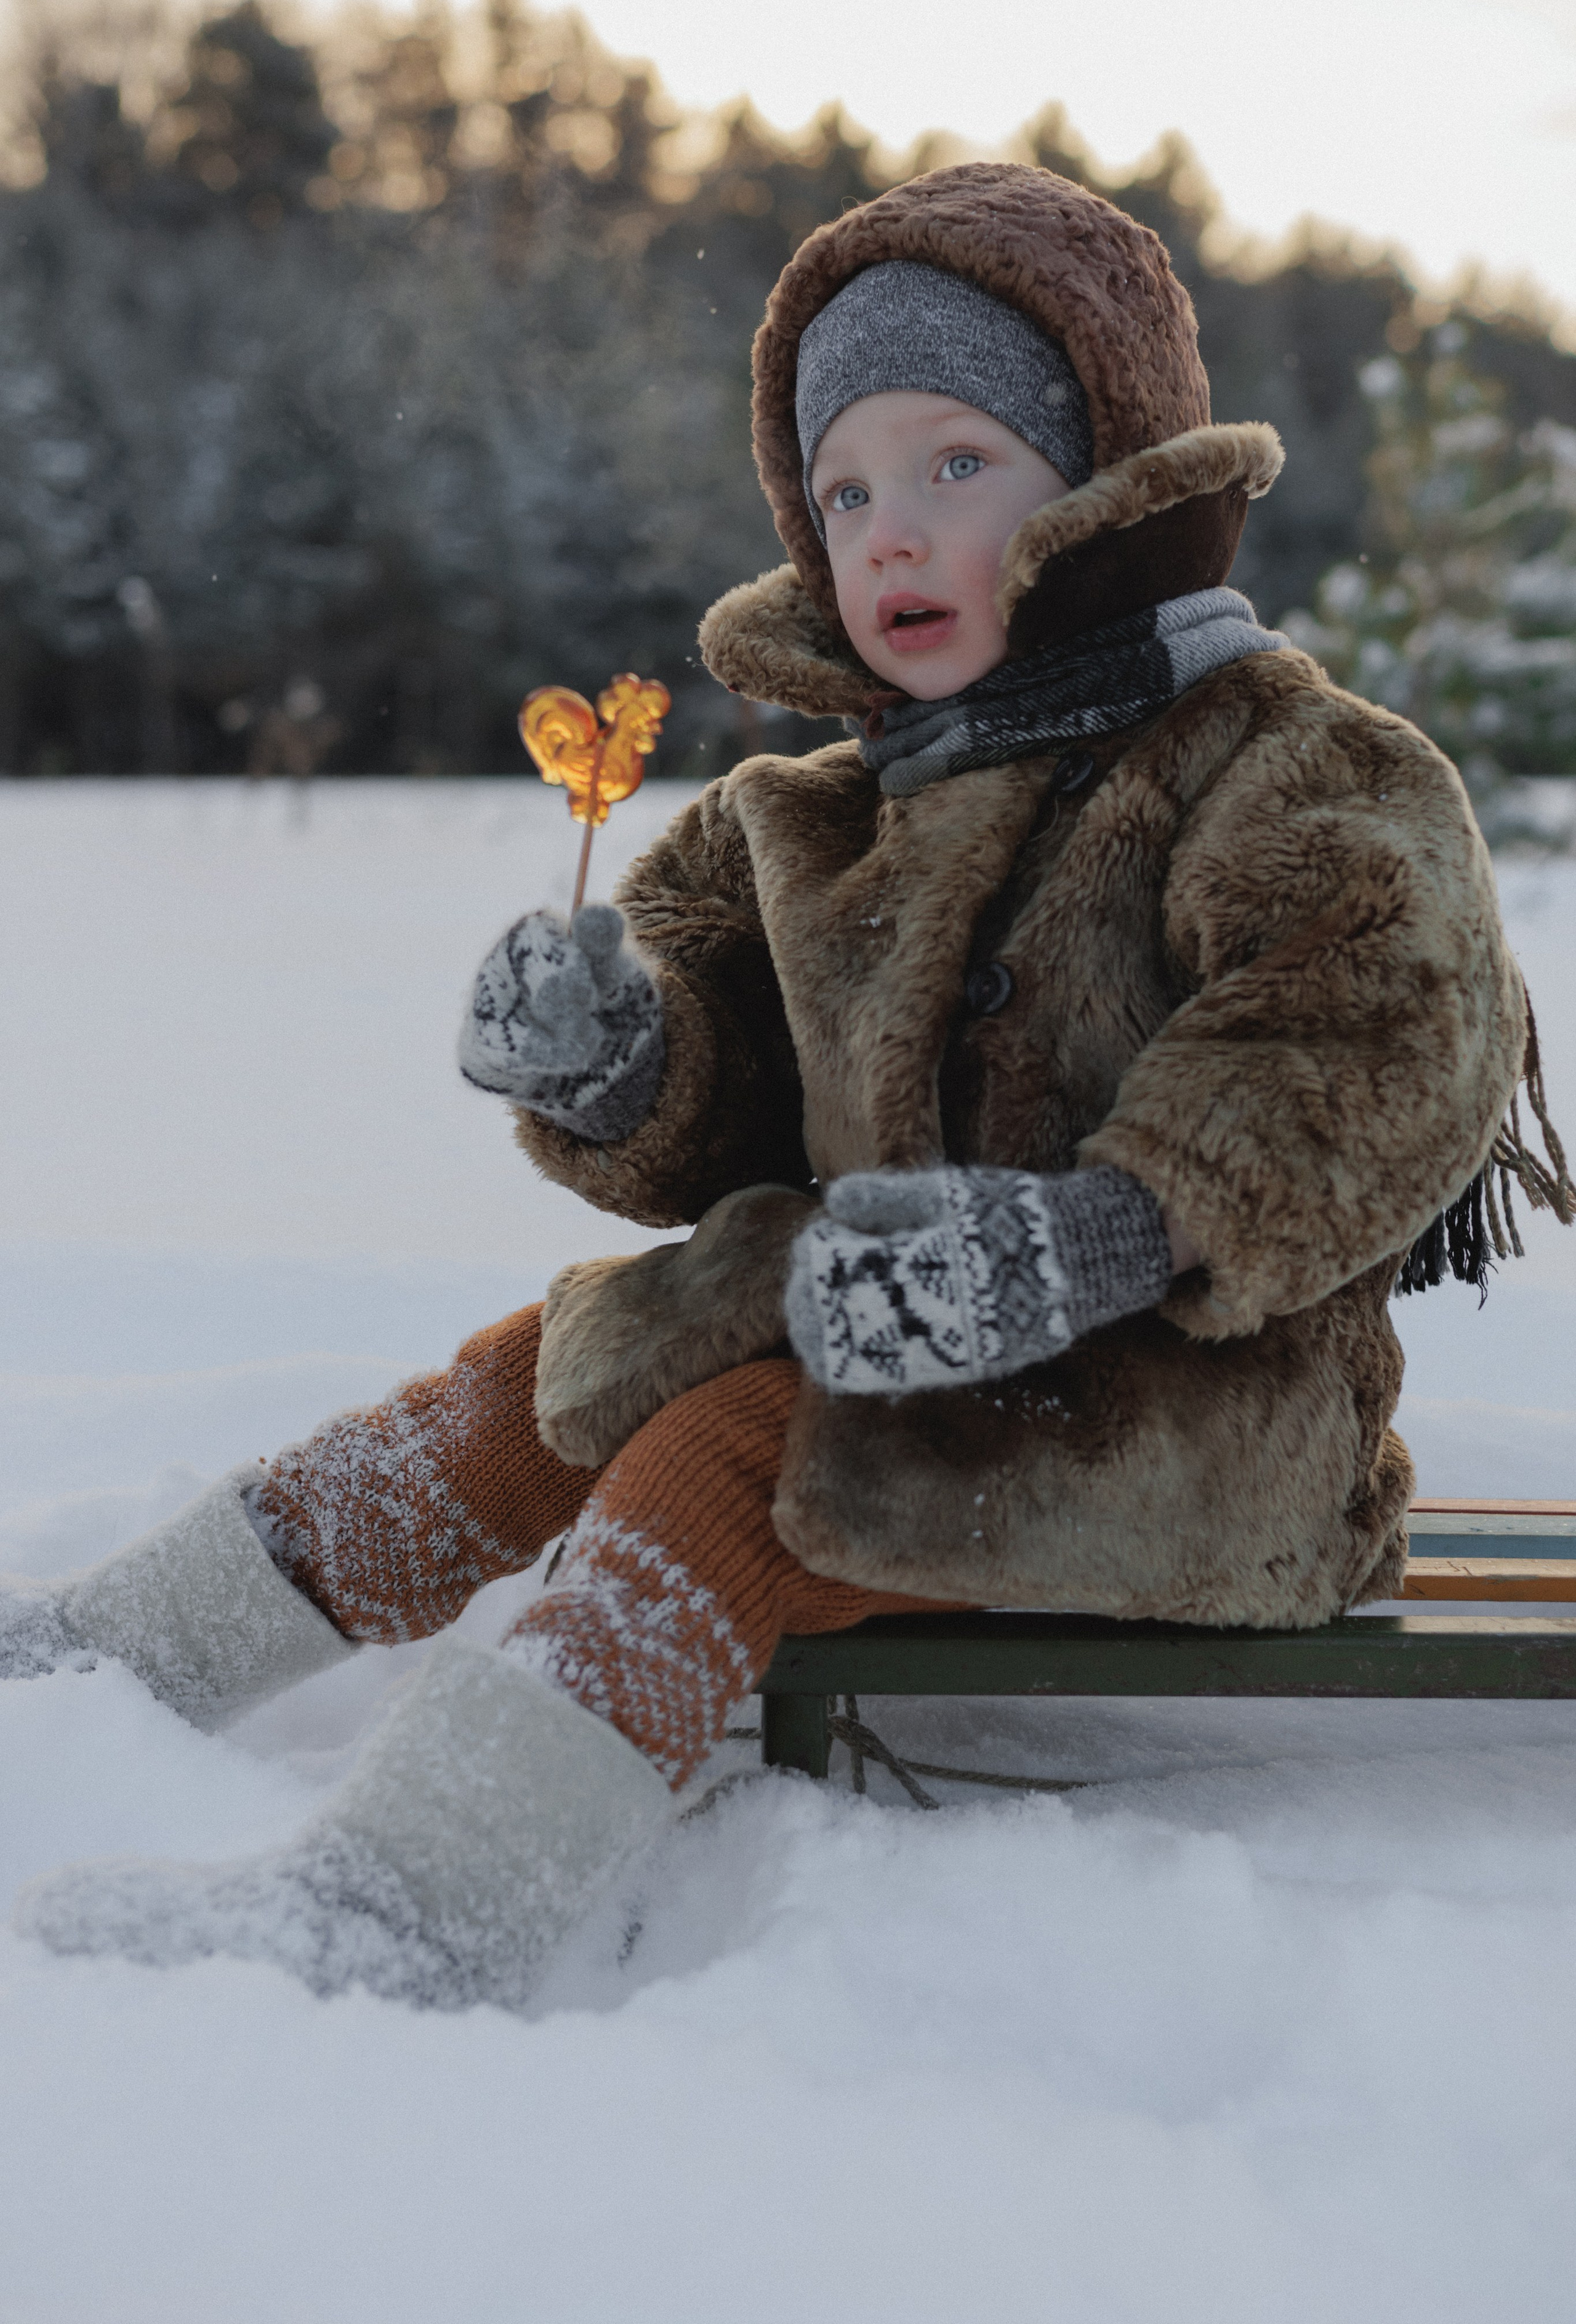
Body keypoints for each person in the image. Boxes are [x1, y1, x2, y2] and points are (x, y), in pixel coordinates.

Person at [3, 162, 1564, 2009]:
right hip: (885, 1333)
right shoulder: (809, 820)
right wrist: (622, 1061)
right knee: (545, 1373)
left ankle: (411, 1901)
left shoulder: (1287, 764)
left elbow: (1371, 1046)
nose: (890, 535)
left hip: (1182, 1425)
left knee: (738, 1456)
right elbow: (734, 1083)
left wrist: (1084, 1239)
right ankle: (107, 1659)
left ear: (1111, 476)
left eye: (957, 464)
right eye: (846, 492)